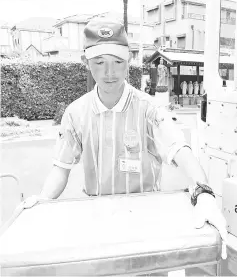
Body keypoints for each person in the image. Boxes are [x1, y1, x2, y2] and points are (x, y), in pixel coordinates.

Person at [22, 17, 227, 257]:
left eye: (118, 61)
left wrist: (203, 193)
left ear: (129, 61)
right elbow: (61, 167)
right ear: (86, 62)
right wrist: (43, 200)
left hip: (147, 226)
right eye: (99, 62)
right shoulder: (76, 114)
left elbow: (181, 151)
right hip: (97, 227)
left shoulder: (149, 110)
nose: (109, 72)